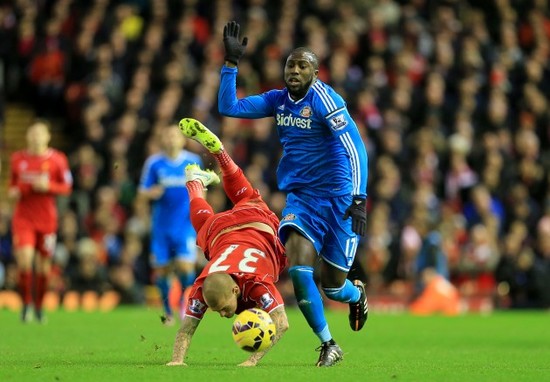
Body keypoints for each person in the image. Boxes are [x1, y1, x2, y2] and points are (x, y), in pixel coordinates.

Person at [218, 21, 369, 366]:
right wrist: (230, 64)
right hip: (302, 199)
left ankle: (354, 293)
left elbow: (356, 148)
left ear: (315, 72)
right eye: (290, 65)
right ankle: (329, 343)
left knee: (333, 286)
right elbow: (230, 108)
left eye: (303, 66)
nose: (295, 70)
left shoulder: (326, 102)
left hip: (340, 200)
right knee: (300, 271)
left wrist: (359, 198)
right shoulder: (278, 100)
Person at [166, 118, 289, 367]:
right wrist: (176, 361)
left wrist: (253, 360)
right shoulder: (204, 288)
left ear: (235, 290)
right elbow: (187, 327)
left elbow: (283, 324)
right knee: (237, 201)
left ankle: (196, 183)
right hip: (231, 229)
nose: (223, 315)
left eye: (222, 308)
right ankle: (212, 163)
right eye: (219, 310)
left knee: (204, 226)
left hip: (252, 229)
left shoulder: (255, 283)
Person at [8, 120, 73, 322]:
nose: (36, 137)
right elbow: (12, 186)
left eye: (40, 134)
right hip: (23, 218)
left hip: (47, 220)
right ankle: (26, 305)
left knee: (43, 267)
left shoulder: (58, 159)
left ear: (47, 137)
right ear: (28, 136)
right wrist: (13, 192)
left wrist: (49, 186)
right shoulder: (18, 159)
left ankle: (39, 307)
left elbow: (67, 187)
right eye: (33, 133)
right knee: (25, 261)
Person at [138, 124, 203, 325]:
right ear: (162, 140)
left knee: (185, 267)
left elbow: (202, 192)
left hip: (185, 225)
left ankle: (184, 303)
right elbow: (142, 193)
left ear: (182, 140)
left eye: (175, 135)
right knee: (162, 271)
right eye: (167, 136)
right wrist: (151, 194)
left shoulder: (193, 161)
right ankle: (167, 311)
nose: (171, 139)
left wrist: (201, 219)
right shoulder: (154, 163)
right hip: (161, 226)